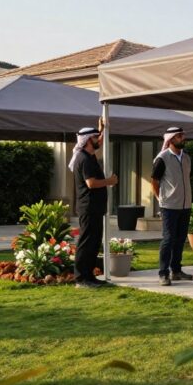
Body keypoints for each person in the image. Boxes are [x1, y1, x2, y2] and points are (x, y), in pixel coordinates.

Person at [69, 121, 118, 289]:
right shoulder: (84, 158)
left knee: (94, 242)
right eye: (96, 137)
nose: (99, 139)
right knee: (86, 242)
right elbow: (91, 183)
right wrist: (109, 181)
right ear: (89, 140)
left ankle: (90, 276)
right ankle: (81, 279)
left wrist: (102, 129)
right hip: (88, 207)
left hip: (95, 207)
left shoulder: (88, 155)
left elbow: (100, 141)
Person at [151, 126, 193, 286]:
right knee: (168, 239)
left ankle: (176, 271)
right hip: (169, 206)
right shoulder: (162, 158)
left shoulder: (187, 158)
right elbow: (154, 181)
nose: (183, 138)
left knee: (180, 239)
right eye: (179, 136)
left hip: (185, 205)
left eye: (183, 135)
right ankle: (163, 273)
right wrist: (160, 199)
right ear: (171, 139)